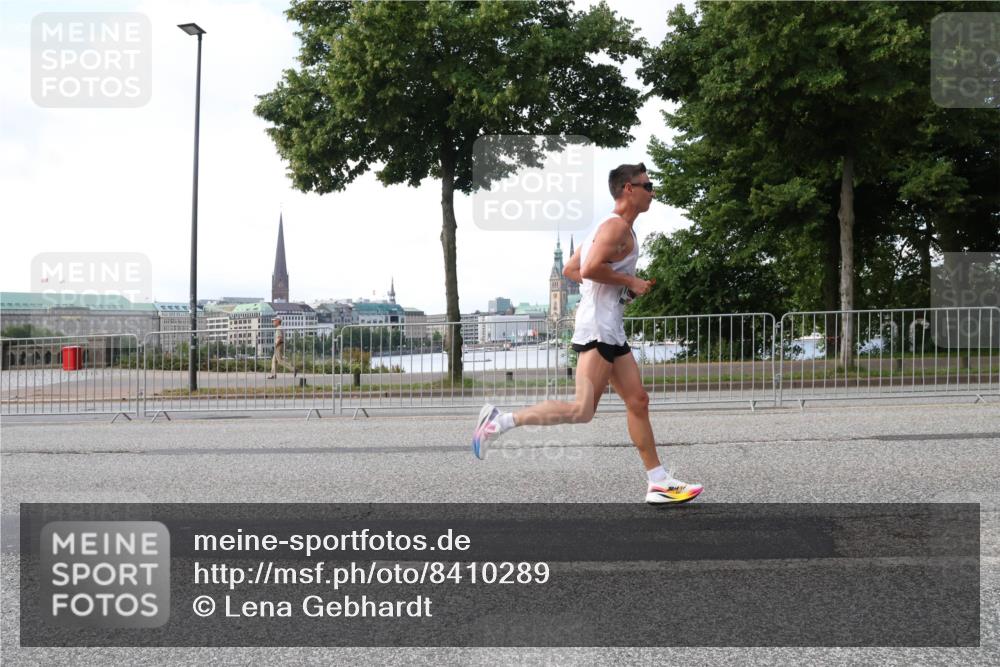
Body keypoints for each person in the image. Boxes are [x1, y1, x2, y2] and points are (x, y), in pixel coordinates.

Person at [471, 163, 703, 505]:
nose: (652, 191)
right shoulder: (615, 227)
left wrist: (614, 291)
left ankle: (659, 482)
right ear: (628, 188)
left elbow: (570, 270)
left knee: (638, 400)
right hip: (597, 329)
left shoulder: (608, 227)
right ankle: (498, 422)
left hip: (610, 326)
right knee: (582, 410)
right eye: (647, 185)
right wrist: (628, 282)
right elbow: (590, 269)